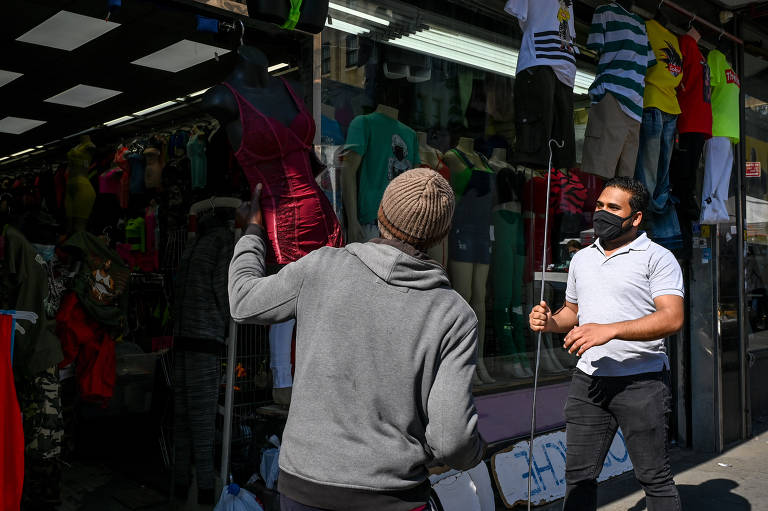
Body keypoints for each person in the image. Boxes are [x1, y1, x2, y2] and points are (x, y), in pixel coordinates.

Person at [229, 168, 484, 511]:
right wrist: (474, 452)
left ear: (381, 215)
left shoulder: (321, 267)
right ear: (441, 236)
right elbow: (453, 442)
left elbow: (243, 300)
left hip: (304, 487)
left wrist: (252, 232)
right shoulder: (454, 314)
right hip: (391, 496)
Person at [529, 177, 684, 511]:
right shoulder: (582, 258)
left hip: (642, 383)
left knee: (654, 478)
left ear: (636, 217)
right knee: (578, 478)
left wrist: (610, 330)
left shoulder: (658, 258)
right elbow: (573, 311)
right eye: (599, 205)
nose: (601, 213)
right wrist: (550, 322)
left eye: (613, 208)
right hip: (589, 383)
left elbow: (671, 318)